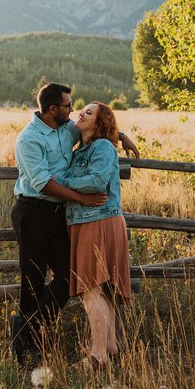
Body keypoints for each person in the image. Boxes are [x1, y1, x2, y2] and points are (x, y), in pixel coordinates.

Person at [11, 83, 138, 365]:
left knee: (70, 277)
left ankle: (26, 326)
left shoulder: (67, 127)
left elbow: (101, 128)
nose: (73, 111)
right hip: (32, 211)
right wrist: (80, 197)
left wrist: (122, 136)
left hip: (60, 214)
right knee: (32, 278)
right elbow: (42, 182)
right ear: (53, 109)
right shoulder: (29, 139)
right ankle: (28, 340)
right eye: (69, 106)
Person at [57, 102, 131, 368]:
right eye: (82, 110)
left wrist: (60, 183)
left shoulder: (101, 147)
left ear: (99, 123)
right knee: (102, 289)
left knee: (91, 288)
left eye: (89, 113)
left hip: (98, 221)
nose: (81, 113)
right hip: (89, 221)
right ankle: (109, 348)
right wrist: (122, 136)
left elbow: (97, 180)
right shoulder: (82, 149)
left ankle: (97, 355)